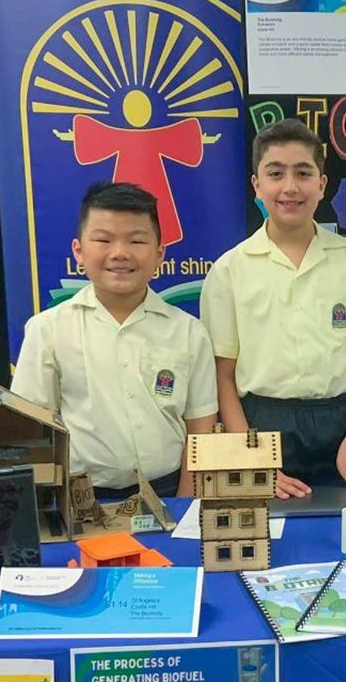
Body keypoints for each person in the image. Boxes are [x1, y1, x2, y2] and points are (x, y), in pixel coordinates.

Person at [201, 118, 346, 498]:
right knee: (268, 530)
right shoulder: (229, 270)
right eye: (275, 174)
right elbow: (222, 377)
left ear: (321, 185)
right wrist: (255, 461)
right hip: (260, 428)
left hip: (342, 430)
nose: (290, 187)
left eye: (303, 173)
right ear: (257, 185)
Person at [13, 181, 218, 498]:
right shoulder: (47, 330)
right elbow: (34, 431)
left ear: (159, 253)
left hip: (168, 491)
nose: (120, 253)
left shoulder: (189, 332)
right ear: (79, 251)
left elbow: (200, 428)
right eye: (103, 240)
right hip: (84, 499)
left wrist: (186, 502)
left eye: (136, 241)